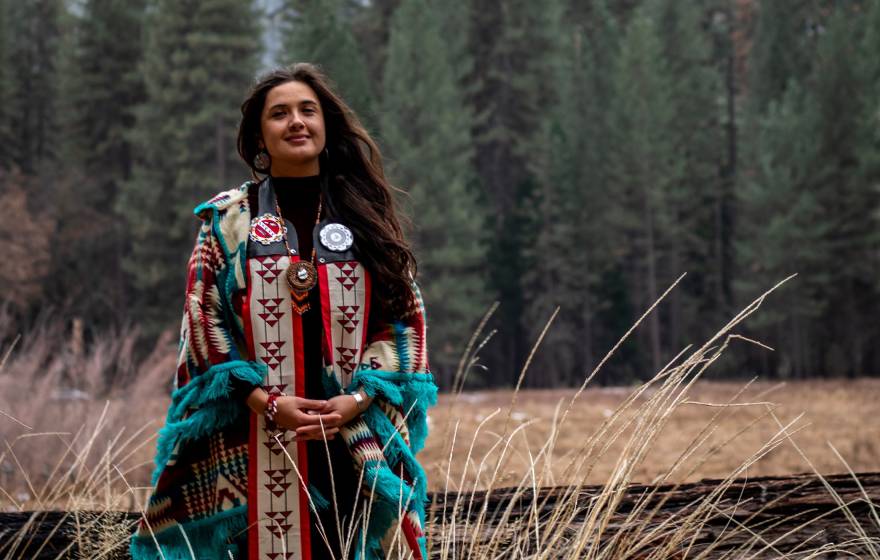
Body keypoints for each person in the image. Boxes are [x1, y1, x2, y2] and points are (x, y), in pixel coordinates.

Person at [130, 62, 437, 560]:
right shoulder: (228, 219)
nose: (296, 121)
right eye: (279, 114)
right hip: (252, 435)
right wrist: (265, 402)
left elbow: (403, 319)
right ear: (259, 136)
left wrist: (357, 399)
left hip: (349, 435)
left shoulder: (363, 214)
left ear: (325, 126)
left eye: (307, 110)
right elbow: (203, 315)